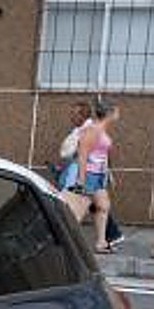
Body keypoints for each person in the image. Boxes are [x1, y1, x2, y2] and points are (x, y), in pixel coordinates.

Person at [58, 100, 124, 250]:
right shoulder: (92, 130)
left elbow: (103, 155)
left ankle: (101, 242)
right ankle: (62, 244)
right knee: (76, 214)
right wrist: (81, 181)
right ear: (110, 113)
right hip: (88, 176)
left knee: (103, 206)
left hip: (99, 175)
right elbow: (82, 156)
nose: (118, 114)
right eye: (117, 111)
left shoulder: (101, 130)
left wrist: (109, 174)